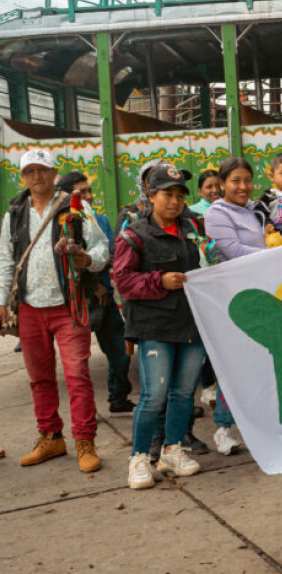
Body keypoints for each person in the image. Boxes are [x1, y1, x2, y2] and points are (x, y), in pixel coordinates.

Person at [0, 149, 109, 472]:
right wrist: (3, 302)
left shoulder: (74, 208)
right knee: (40, 378)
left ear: (53, 173)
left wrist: (89, 260)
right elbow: (6, 260)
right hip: (30, 307)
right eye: (30, 171)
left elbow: (102, 247)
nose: (36, 177)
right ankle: (51, 437)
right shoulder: (14, 214)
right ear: (23, 177)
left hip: (69, 304)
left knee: (77, 375)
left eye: (42, 170)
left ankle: (85, 441)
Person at [113, 165, 206, 489]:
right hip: (155, 328)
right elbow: (123, 281)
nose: (175, 201)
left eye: (180, 194)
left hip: (192, 325)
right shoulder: (134, 235)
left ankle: (172, 450)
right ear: (151, 196)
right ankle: (139, 458)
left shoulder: (193, 228)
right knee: (153, 395)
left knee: (183, 394)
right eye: (168, 194)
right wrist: (159, 281)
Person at [204, 157, 270, 455]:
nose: (243, 187)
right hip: (231, 298)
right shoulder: (217, 214)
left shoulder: (253, 211)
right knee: (233, 364)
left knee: (258, 362)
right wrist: (272, 253)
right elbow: (231, 250)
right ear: (222, 184)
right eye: (236, 181)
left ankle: (259, 423)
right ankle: (223, 428)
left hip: (256, 293)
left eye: (247, 180)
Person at [57, 172, 134, 415]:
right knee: (77, 362)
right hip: (74, 301)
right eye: (83, 192)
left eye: (90, 190)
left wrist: (101, 285)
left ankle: (117, 398)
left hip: (103, 299)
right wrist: (93, 286)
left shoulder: (99, 219)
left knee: (120, 351)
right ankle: (83, 414)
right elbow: (62, 259)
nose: (89, 196)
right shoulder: (60, 221)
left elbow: (109, 254)